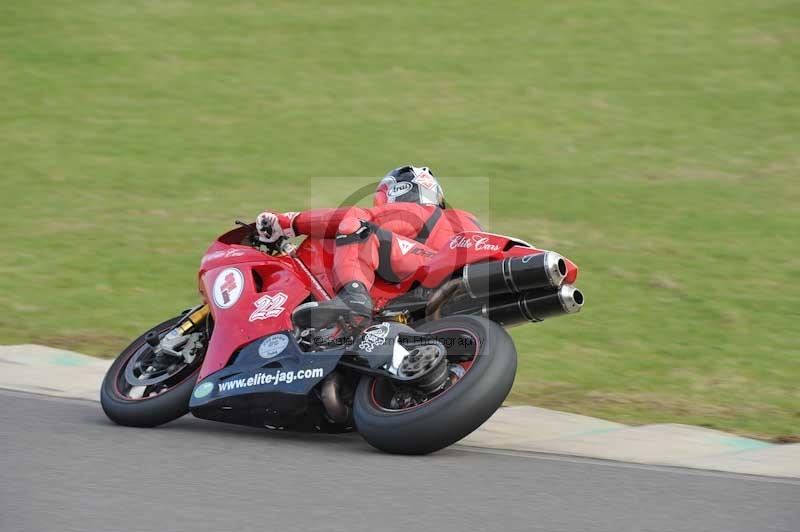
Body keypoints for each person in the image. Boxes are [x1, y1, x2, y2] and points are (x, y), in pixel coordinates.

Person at [257, 165, 483, 326]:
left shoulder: (417, 211)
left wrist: (290, 222)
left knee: (355, 227)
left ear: (399, 191)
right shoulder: (463, 220)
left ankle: (354, 297)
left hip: (431, 271)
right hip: (451, 293)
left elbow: (353, 216)